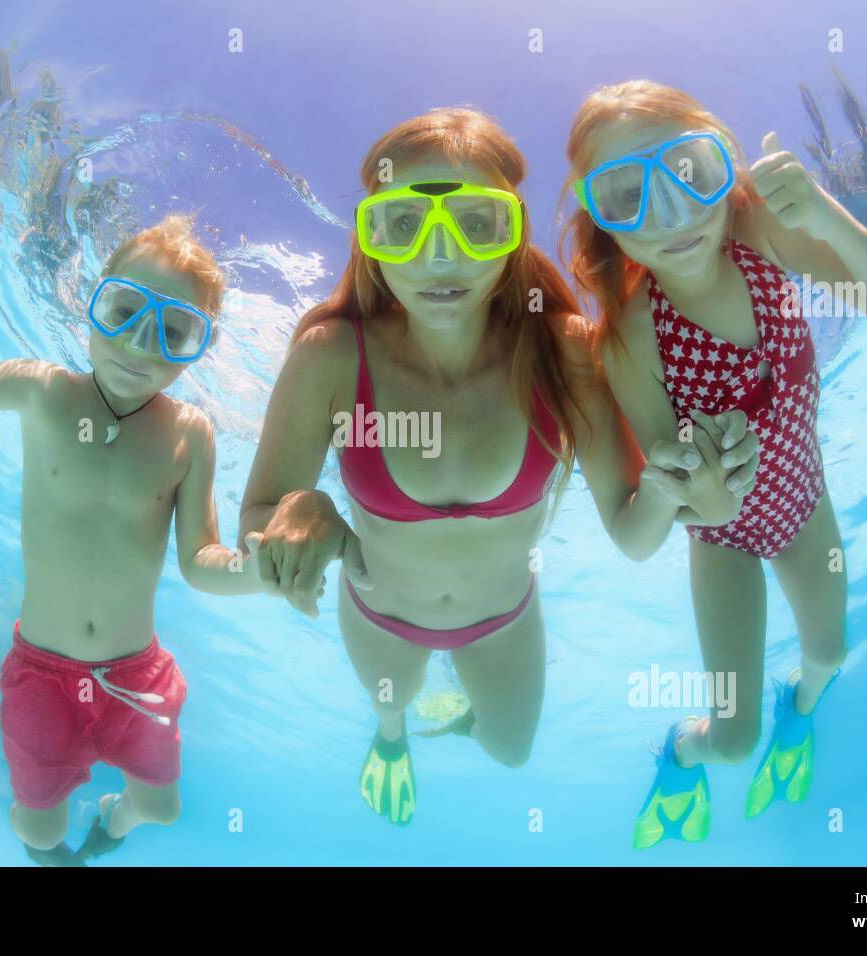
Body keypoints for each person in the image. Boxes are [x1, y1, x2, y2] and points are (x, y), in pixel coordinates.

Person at [239, 108, 759, 826]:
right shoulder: (331, 355)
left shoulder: (566, 350)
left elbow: (635, 536)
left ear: (513, 233)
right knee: (391, 716)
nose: (439, 256)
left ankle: (447, 720)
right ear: (371, 238)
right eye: (404, 225)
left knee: (511, 752)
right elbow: (258, 517)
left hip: (505, 620)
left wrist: (681, 490)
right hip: (381, 617)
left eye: (476, 224)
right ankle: (392, 742)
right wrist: (311, 513)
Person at [561, 80, 867, 848]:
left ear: (723, 162)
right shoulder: (632, 336)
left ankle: (801, 710)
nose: (671, 213)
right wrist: (706, 483)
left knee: (829, 655)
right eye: (627, 195)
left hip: (802, 503)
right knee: (729, 741)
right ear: (604, 222)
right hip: (720, 544)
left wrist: (824, 215)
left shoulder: (756, 228)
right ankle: (677, 756)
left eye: (689, 172)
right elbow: (671, 521)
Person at [0, 215, 268, 864]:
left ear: (199, 347)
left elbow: (201, 560)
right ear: (91, 302)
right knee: (41, 832)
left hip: (139, 678)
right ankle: (55, 854)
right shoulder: (44, 392)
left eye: (176, 332)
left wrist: (260, 567)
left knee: (160, 808)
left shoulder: (190, 434)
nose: (141, 343)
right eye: (124, 310)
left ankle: (111, 819)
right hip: (43, 678)